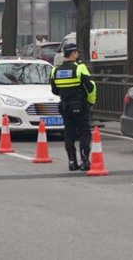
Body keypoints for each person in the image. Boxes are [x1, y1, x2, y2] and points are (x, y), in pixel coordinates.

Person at [50, 43, 97, 171]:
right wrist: (90, 102)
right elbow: (91, 87)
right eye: (77, 52)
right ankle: (85, 161)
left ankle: (72, 162)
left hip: (65, 106)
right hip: (80, 105)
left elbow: (54, 90)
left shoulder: (55, 70)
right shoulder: (80, 68)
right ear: (73, 54)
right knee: (84, 132)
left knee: (69, 133)